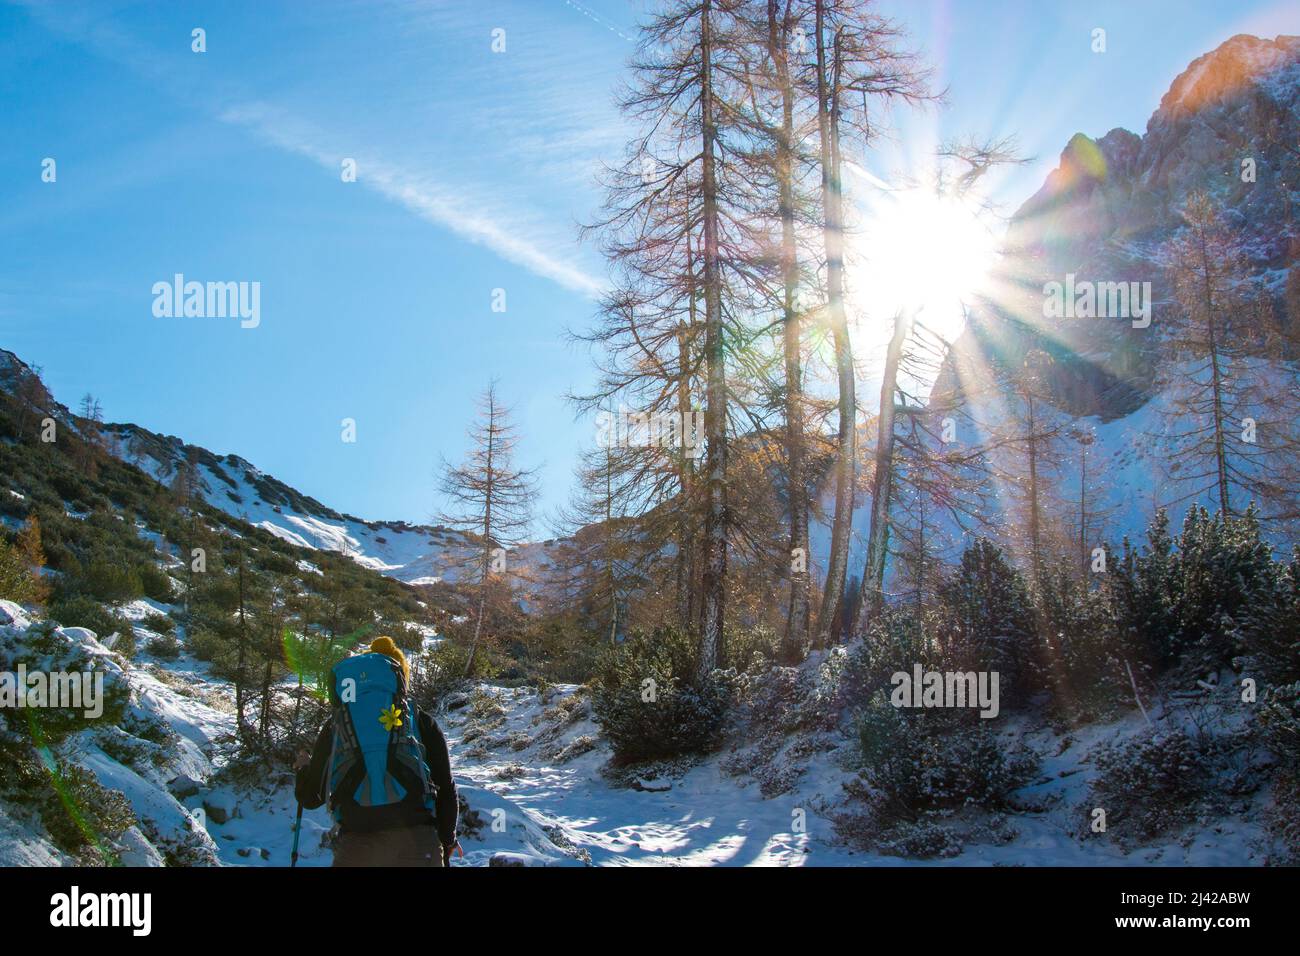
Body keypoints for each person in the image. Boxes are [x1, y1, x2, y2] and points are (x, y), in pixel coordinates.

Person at [294, 636, 458, 866]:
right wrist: (447, 839)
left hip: (357, 846)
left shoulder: (338, 723)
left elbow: (311, 798)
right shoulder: (420, 721)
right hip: (418, 843)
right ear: (401, 680)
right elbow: (445, 787)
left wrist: (303, 769)